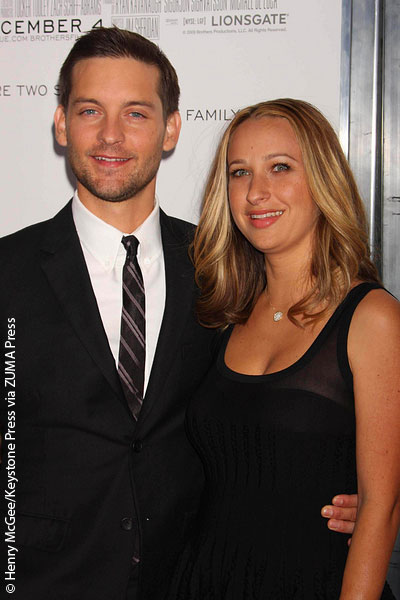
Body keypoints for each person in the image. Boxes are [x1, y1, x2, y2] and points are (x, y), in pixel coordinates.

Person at [0, 30, 357, 600]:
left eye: (136, 113)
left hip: (193, 581)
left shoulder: (228, 269)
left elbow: (288, 399)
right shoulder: (7, 272)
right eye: (90, 110)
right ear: (62, 122)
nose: (111, 135)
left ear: (171, 129)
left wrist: (348, 490)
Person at [166, 99, 400, 598]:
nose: (256, 192)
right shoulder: (222, 312)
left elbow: (381, 509)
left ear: (322, 179)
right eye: (239, 172)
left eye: (280, 167)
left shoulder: (372, 317)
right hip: (206, 580)